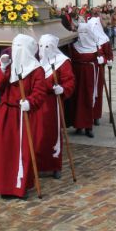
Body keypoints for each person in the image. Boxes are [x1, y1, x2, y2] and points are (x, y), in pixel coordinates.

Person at [0, 34, 47, 199]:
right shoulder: (7, 66)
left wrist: (30, 101)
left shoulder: (37, 70)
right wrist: (1, 68)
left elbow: (40, 91)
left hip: (25, 115)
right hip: (7, 113)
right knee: (6, 151)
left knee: (24, 150)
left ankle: (21, 186)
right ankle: (6, 186)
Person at [33, 34, 75, 180]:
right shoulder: (35, 62)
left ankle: (54, 165)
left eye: (47, 47)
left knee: (51, 134)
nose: (43, 50)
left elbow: (69, 81)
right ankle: (35, 165)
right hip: (36, 103)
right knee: (36, 134)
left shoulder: (62, 62)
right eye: (41, 47)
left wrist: (62, 89)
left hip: (52, 103)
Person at [67, 23, 101, 138]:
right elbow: (77, 57)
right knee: (77, 99)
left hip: (89, 75)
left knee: (87, 98)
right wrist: (93, 57)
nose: (83, 35)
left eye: (85, 32)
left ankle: (88, 126)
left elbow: (97, 56)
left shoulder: (94, 45)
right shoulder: (74, 46)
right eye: (80, 32)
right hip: (77, 74)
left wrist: (99, 59)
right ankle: (78, 125)